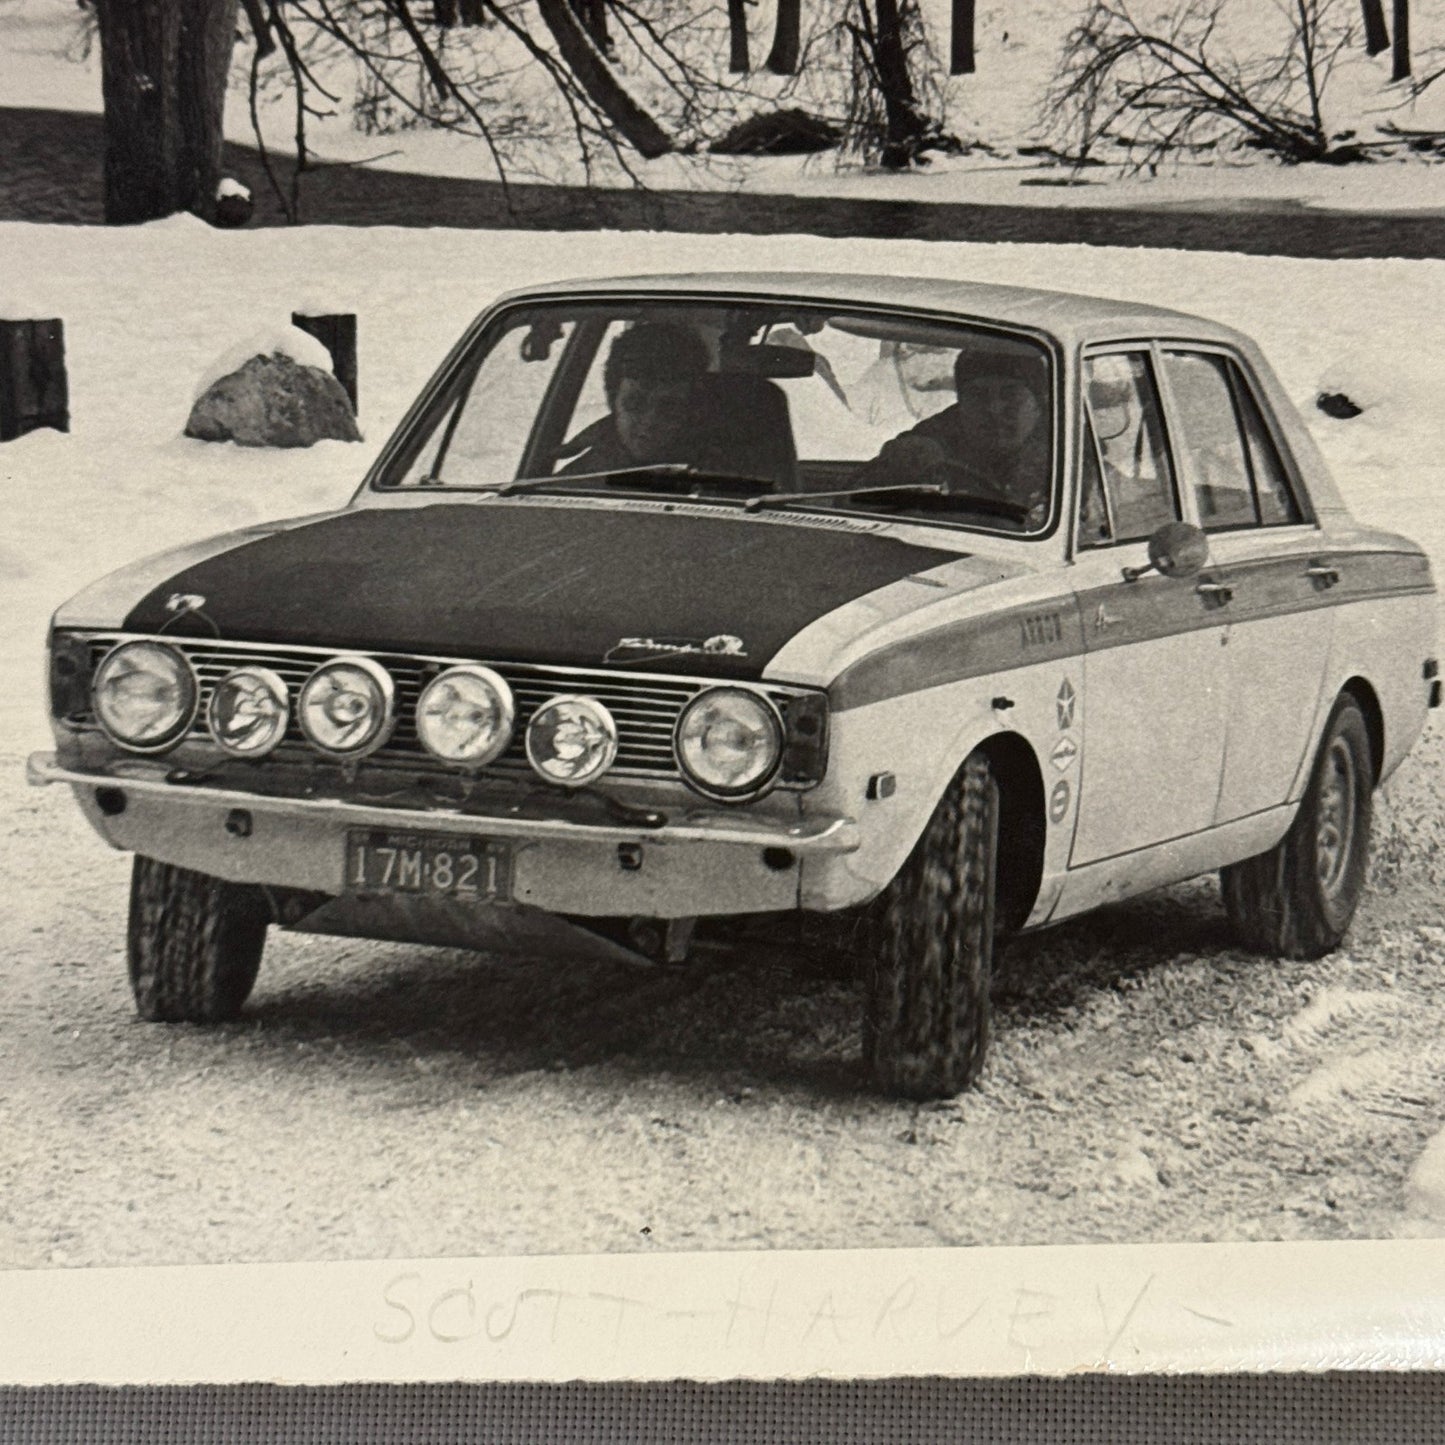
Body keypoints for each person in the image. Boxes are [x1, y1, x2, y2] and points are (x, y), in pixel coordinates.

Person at [854, 338, 1051, 523]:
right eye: (977, 395)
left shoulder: (1068, 444)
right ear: (961, 403)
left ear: (1038, 403)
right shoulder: (931, 441)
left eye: (1010, 395)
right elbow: (854, 502)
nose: (993, 409)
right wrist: (901, 471)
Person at [556, 322, 710, 475]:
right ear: (612, 402)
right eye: (635, 404)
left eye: (669, 408)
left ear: (689, 409)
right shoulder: (577, 480)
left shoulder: (716, 475)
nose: (650, 421)